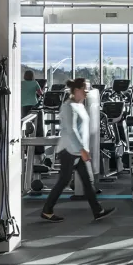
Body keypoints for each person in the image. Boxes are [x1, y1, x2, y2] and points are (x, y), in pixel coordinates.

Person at [41, 78, 115, 223]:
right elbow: (71, 130)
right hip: (69, 149)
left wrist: (83, 149)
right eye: (84, 90)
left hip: (78, 150)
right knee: (64, 181)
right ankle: (47, 210)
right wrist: (82, 150)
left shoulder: (79, 105)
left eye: (88, 90)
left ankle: (97, 210)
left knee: (87, 182)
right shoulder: (68, 107)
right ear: (76, 91)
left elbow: (82, 130)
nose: (86, 92)